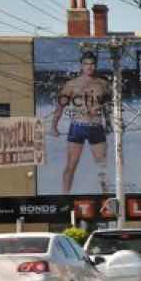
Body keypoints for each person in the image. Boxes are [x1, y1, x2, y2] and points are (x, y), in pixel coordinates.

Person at [50, 50, 112, 194]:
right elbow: (60, 106)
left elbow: (108, 107)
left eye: (92, 64)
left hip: (96, 126)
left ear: (95, 65)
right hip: (77, 126)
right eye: (86, 64)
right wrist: (54, 126)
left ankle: (107, 197)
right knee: (71, 165)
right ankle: (65, 196)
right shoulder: (72, 84)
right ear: (81, 66)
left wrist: (108, 123)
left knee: (102, 167)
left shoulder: (102, 84)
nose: (89, 67)